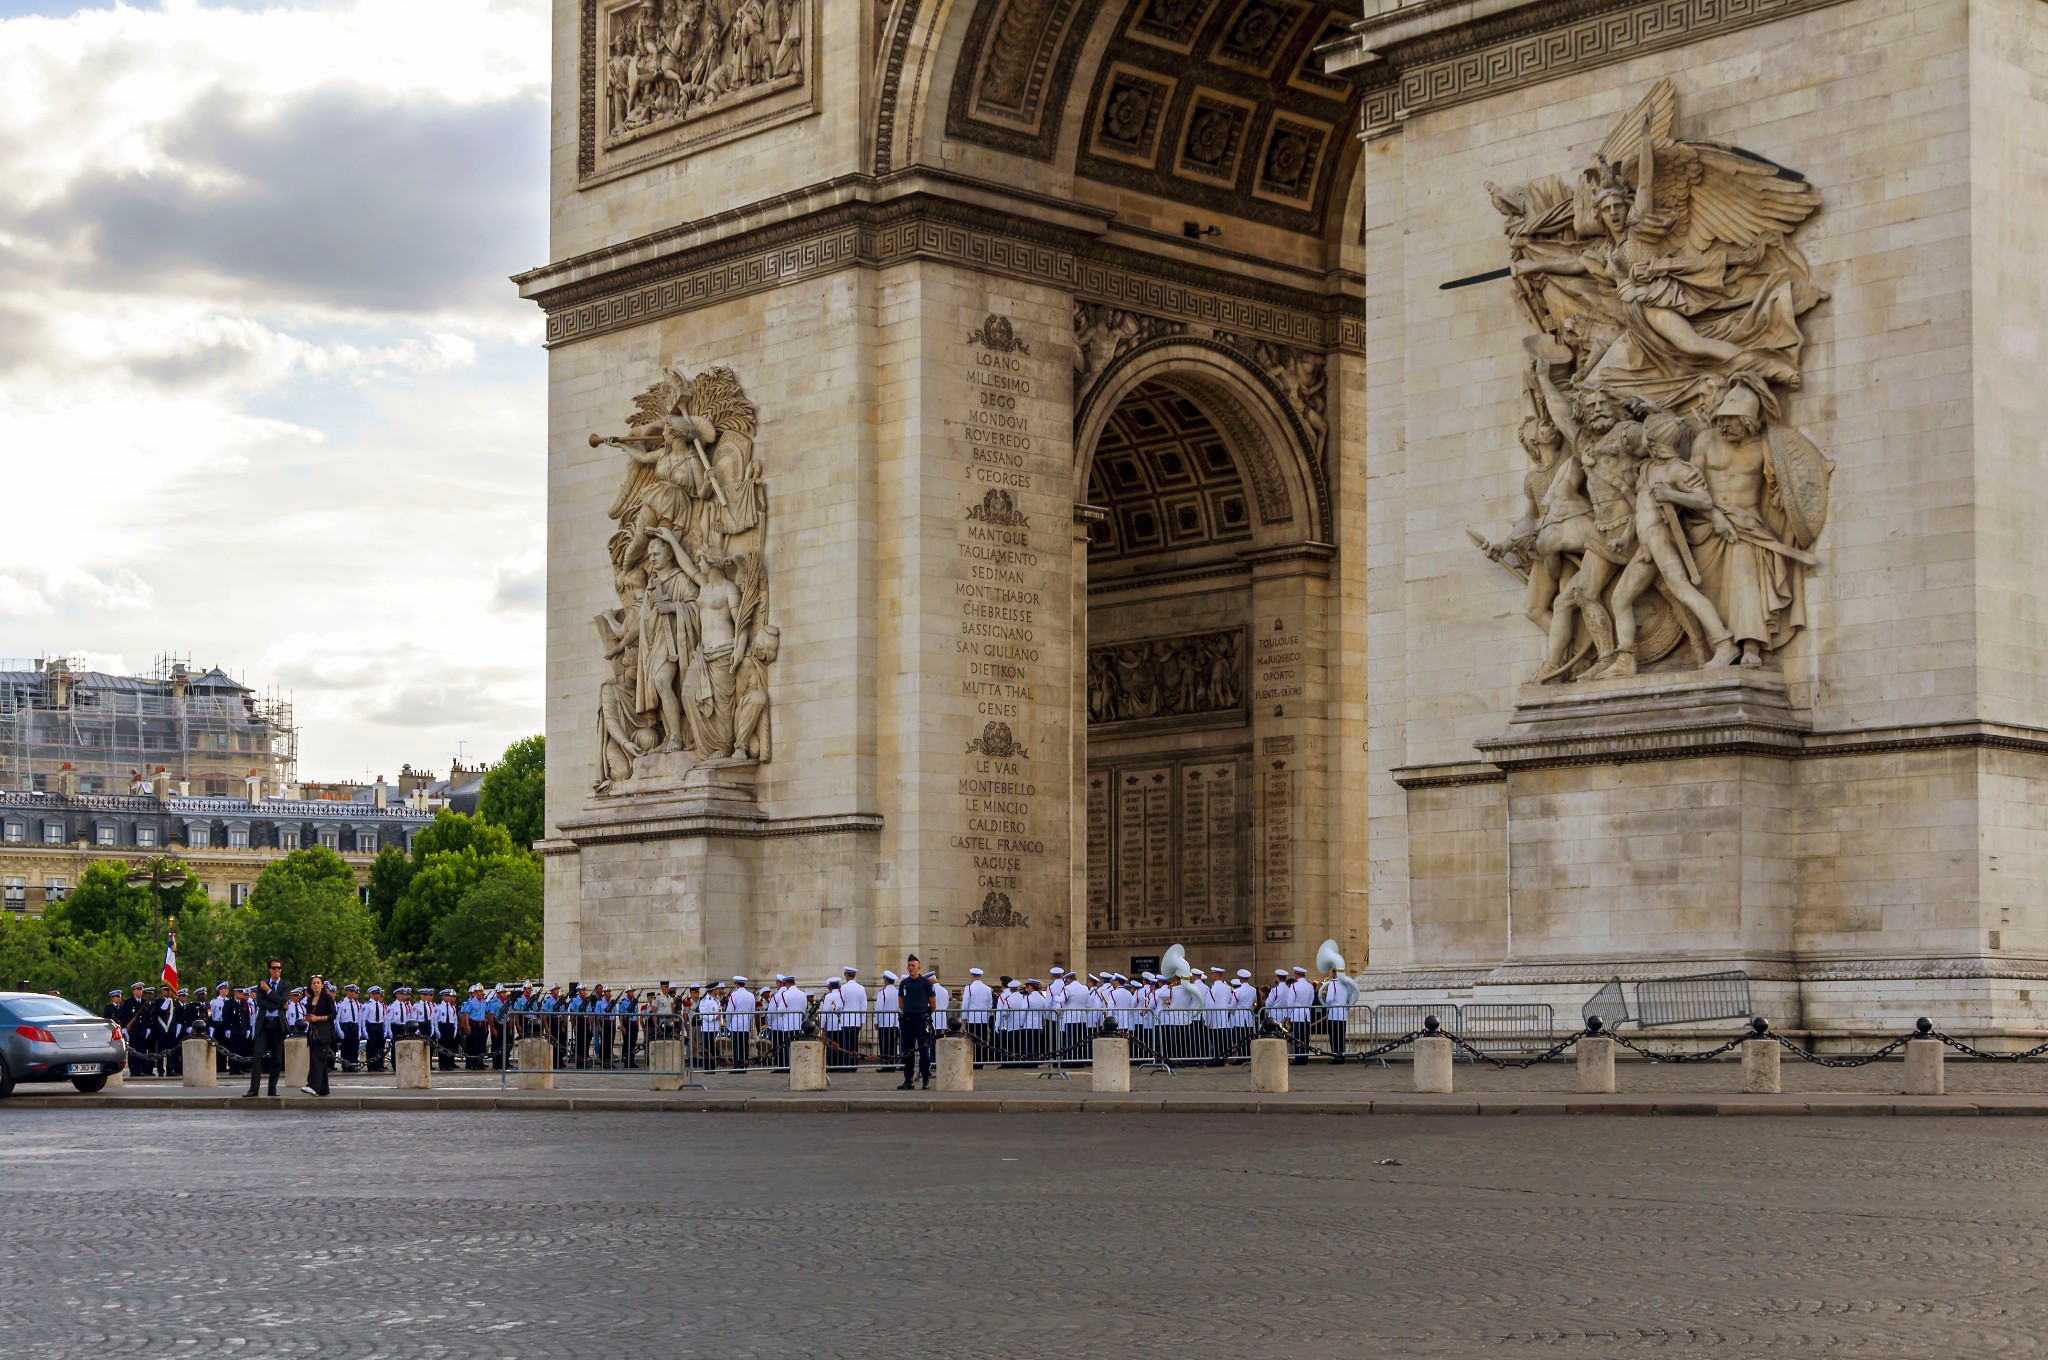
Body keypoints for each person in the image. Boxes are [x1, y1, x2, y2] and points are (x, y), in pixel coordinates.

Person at [244, 959, 290, 1098]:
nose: (277, 970)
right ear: (269, 969)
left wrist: (269, 991)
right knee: (257, 1056)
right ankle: (253, 1089)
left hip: (278, 1023)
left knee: (276, 1058)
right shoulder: (261, 984)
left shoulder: (285, 984)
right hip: (263, 1024)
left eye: (279, 968)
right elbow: (260, 1002)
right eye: (274, 968)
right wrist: (278, 1004)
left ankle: (272, 1088)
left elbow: (284, 1001)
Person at [896, 955, 936, 1090]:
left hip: (921, 1020)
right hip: (908, 1020)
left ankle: (925, 1079)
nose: (910, 968)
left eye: (913, 965)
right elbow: (901, 1003)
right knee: (908, 1051)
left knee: (924, 1051)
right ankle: (908, 1079)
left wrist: (924, 1014)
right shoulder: (904, 983)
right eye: (909, 965)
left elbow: (933, 1004)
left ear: (919, 967)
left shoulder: (925, 983)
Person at [303, 975, 337, 1097]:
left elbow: (333, 1014)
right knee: (317, 1059)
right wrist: (308, 1018)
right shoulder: (309, 999)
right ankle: (324, 1088)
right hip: (312, 1032)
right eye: (314, 983)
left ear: (322, 985)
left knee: (317, 1059)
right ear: (311, 986)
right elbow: (309, 1013)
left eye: (318, 982)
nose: (316, 985)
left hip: (324, 1032)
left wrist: (319, 1018)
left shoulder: (327, 998)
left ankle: (313, 1086)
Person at [874, 971, 901, 1067]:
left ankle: (885, 1065)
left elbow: (879, 1009)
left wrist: (876, 1022)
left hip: (884, 1022)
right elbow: (900, 1007)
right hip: (894, 1022)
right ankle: (892, 1064)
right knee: (893, 1045)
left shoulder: (883, 993)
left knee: (884, 1045)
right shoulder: (898, 992)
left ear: (886, 980)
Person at [362, 986, 389, 1072]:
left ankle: (377, 1064)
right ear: (371, 994)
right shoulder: (367, 1006)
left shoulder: (381, 1006)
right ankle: (370, 1065)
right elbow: (363, 1019)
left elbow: (384, 1018)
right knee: (371, 1047)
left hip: (379, 1026)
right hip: (371, 1026)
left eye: (379, 994)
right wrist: (364, 1031)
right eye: (376, 994)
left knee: (379, 1047)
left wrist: (385, 1029)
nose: (378, 995)